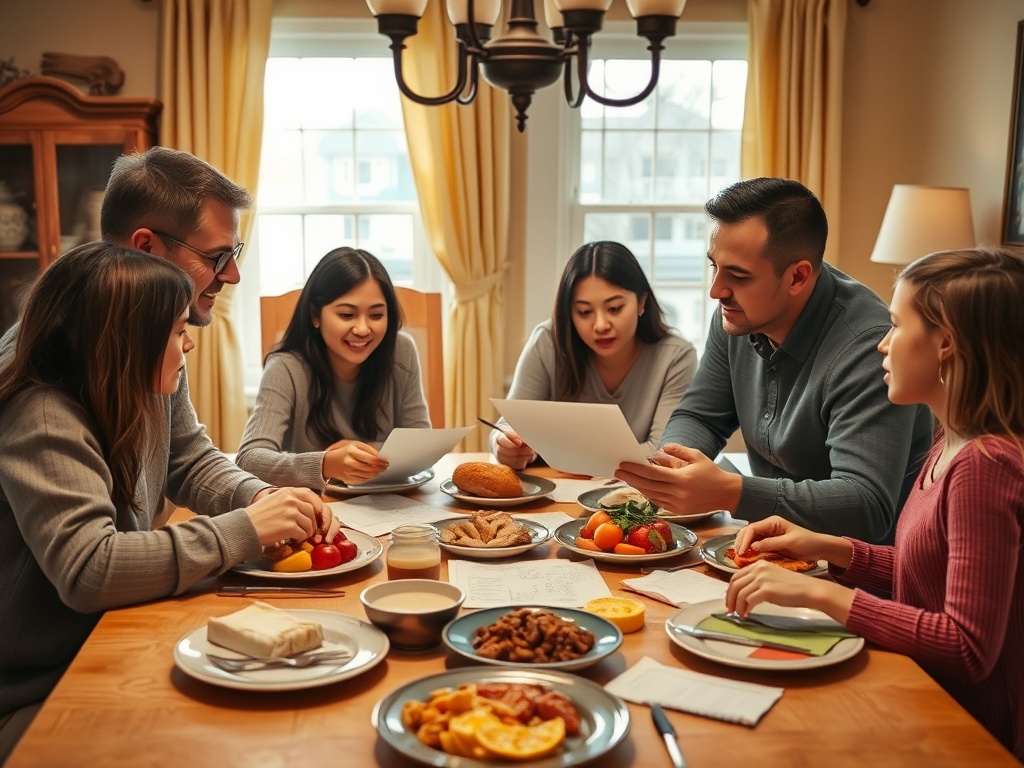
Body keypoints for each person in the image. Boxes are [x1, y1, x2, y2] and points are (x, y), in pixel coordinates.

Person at [0, 244, 333, 762]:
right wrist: (243, 528)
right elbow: (91, 568)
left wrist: (265, 499)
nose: (189, 344)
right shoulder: (45, 419)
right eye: (179, 331)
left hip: (101, 643)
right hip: (40, 686)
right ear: (128, 341)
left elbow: (188, 459)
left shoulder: (131, 385)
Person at [725, 247, 1024, 760]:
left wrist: (818, 596)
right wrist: (832, 549)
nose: (882, 344)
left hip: (965, 731)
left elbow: (966, 647)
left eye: (895, 325)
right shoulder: (948, 439)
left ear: (946, 344)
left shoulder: (986, 467)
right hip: (919, 694)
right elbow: (928, 573)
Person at [616, 178, 933, 543]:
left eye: (738, 275)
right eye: (714, 267)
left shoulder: (868, 348)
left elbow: (866, 505)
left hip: (856, 571)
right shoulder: (739, 312)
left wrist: (732, 492)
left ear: (798, 276)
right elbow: (701, 416)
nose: (716, 290)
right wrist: (672, 469)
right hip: (766, 547)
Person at [491, 240, 698, 470]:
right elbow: (507, 428)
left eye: (614, 308)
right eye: (584, 312)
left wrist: (560, 456)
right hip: (553, 489)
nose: (600, 325)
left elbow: (663, 453)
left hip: (635, 494)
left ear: (641, 302)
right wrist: (508, 448)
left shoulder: (676, 357)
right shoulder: (547, 342)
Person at [237, 247, 430, 488]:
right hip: (315, 509)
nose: (362, 329)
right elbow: (249, 459)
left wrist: (367, 453)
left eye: (376, 315)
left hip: (393, 504)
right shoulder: (285, 367)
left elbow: (421, 442)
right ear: (315, 315)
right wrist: (325, 463)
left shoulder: (400, 350)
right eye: (347, 315)